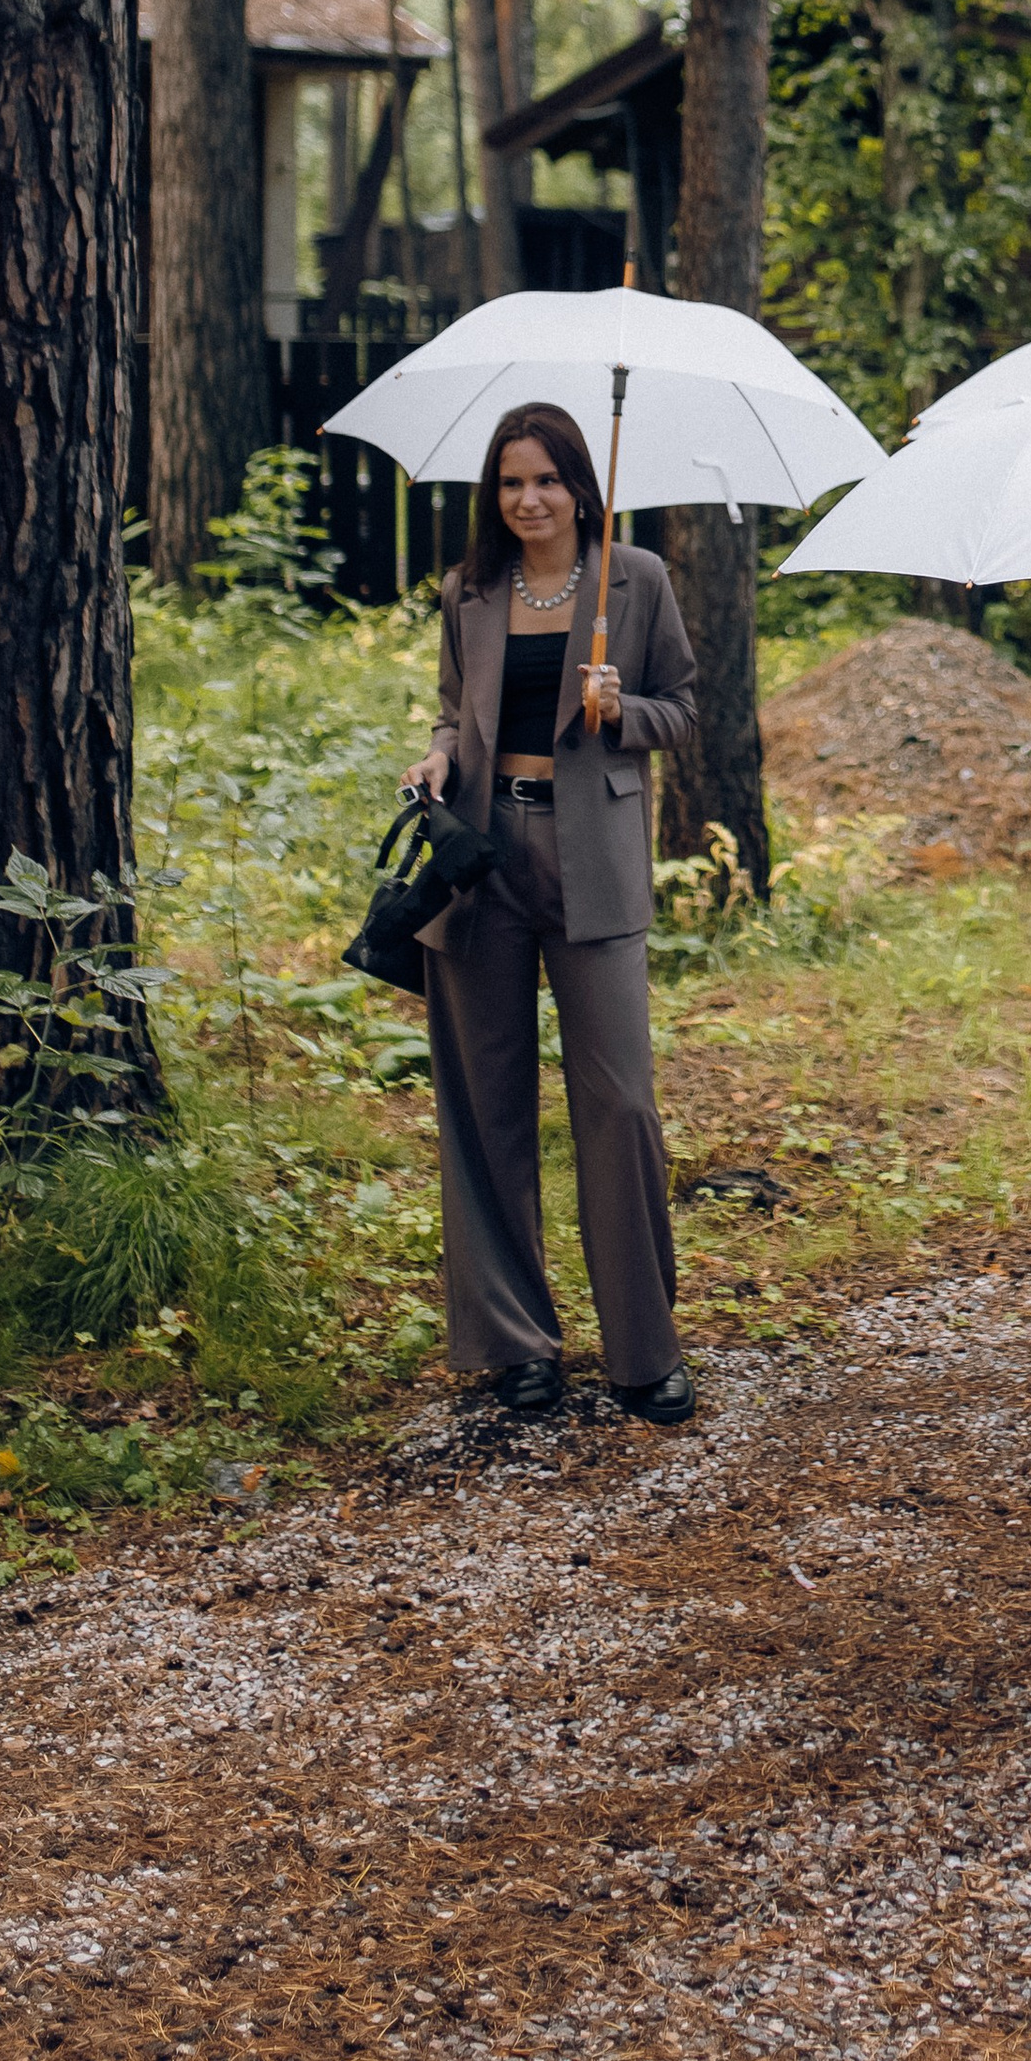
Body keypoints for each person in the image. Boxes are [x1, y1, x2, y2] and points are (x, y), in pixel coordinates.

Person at [403, 402, 699, 1426]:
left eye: (546, 480)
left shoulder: (638, 579)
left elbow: (685, 709)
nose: (528, 500)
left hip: (594, 862)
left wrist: (626, 710)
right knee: (485, 1103)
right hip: (482, 858)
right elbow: (454, 707)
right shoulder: (469, 590)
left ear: (581, 485)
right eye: (510, 483)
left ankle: (643, 1349)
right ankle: (516, 1345)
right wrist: (439, 753)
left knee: (618, 1105)